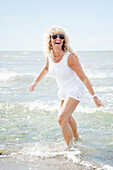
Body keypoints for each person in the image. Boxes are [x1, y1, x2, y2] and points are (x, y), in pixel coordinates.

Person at [29, 26, 104, 148]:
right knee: (67, 117)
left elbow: (83, 77)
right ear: (50, 40)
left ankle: (70, 150)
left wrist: (94, 96)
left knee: (61, 119)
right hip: (63, 90)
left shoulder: (70, 57)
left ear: (64, 40)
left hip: (75, 89)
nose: (58, 38)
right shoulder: (50, 55)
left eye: (61, 36)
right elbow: (46, 68)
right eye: (55, 36)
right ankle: (76, 137)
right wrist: (35, 83)